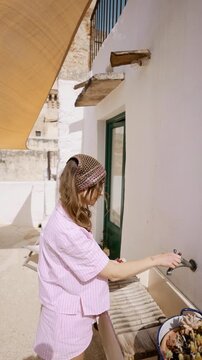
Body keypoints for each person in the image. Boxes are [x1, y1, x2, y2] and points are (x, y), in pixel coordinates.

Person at [34, 154, 181, 360]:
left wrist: (101, 260)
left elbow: (79, 258)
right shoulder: (67, 230)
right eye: (99, 186)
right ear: (83, 188)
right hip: (65, 322)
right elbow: (114, 273)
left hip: (69, 312)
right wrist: (158, 259)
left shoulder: (66, 210)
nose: (101, 192)